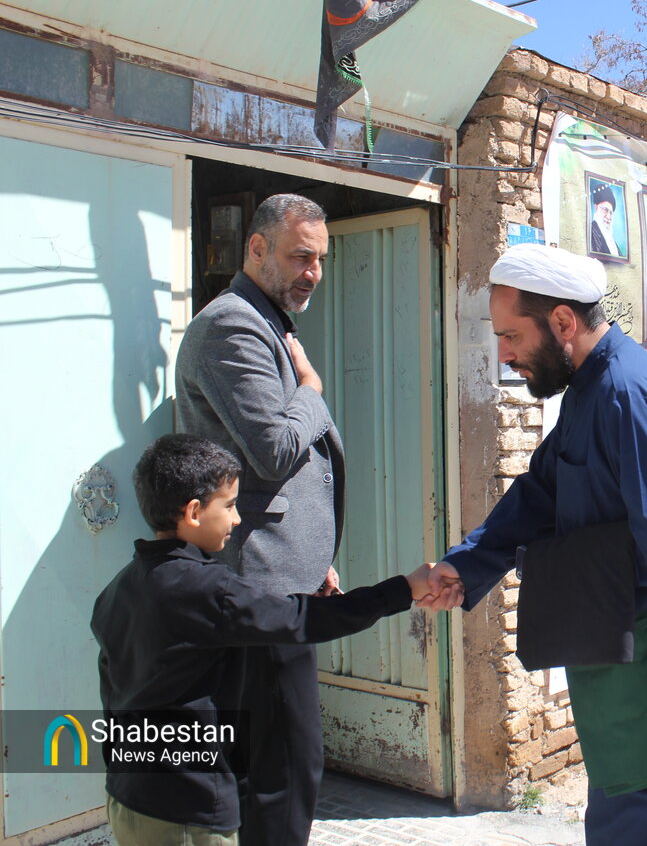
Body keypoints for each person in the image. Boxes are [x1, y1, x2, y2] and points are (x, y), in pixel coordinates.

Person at [418, 243, 647, 845]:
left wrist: (575, 613)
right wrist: (468, 565)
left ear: (563, 322)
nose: (504, 352)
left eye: (512, 335)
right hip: (625, 649)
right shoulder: (591, 389)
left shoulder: (627, 392)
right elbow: (544, 489)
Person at [92, 434, 433, 846]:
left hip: (128, 799)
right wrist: (405, 589)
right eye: (231, 505)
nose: (237, 520)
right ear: (194, 512)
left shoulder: (119, 589)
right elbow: (302, 620)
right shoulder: (206, 588)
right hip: (187, 813)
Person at [175, 193, 342, 846]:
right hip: (257, 584)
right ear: (256, 248)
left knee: (272, 761)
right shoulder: (232, 326)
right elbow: (272, 451)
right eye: (300, 255)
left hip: (279, 574)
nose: (312, 272)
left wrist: (312, 552)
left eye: (320, 260)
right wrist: (311, 394)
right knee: (284, 766)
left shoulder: (269, 322)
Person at [589, 184, 621, 257]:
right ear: (596, 207)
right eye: (605, 210)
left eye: (611, 213)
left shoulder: (610, 238)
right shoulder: (590, 231)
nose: (608, 217)